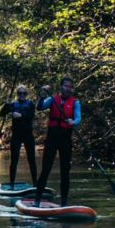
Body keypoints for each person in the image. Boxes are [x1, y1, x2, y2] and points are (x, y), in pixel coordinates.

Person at [34, 77, 81, 207]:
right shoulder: (52, 99)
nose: (68, 89)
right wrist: (42, 95)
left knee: (65, 172)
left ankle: (64, 203)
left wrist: (73, 122)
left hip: (66, 139)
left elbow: (78, 118)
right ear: (61, 87)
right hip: (52, 138)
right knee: (46, 170)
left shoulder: (75, 103)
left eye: (70, 87)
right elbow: (39, 107)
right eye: (66, 86)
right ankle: (37, 201)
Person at [1, 84, 37, 186]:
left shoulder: (30, 104)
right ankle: (11, 183)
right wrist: (6, 105)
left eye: (24, 93)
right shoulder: (13, 105)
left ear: (26, 94)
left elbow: (31, 116)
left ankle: (35, 183)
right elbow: (2, 113)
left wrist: (21, 115)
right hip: (16, 135)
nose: (22, 95)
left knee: (31, 159)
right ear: (17, 94)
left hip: (28, 135)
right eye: (20, 93)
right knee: (14, 160)